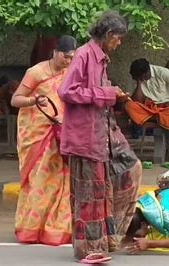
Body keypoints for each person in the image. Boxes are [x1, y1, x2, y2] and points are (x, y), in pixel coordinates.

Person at [57, 11, 142, 264]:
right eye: (118, 38)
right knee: (89, 194)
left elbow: (99, 94)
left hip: (104, 135)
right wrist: (107, 93)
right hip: (85, 138)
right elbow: (66, 91)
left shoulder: (101, 57)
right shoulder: (84, 54)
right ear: (107, 35)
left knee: (129, 170)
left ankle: (108, 237)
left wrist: (112, 95)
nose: (119, 42)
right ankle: (88, 249)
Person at [10, 35, 77, 245]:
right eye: (66, 56)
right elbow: (15, 99)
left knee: (62, 181)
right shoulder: (36, 72)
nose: (68, 61)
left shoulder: (70, 72)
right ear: (55, 52)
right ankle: (32, 228)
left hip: (61, 133)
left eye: (72, 57)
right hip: (38, 134)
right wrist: (33, 100)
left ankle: (57, 229)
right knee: (40, 181)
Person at [125, 58, 169, 130]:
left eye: (142, 76)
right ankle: (159, 119)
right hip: (149, 109)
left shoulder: (162, 72)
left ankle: (154, 118)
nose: (142, 78)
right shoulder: (140, 77)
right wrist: (139, 82)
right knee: (129, 105)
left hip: (166, 108)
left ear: (147, 72)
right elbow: (137, 100)